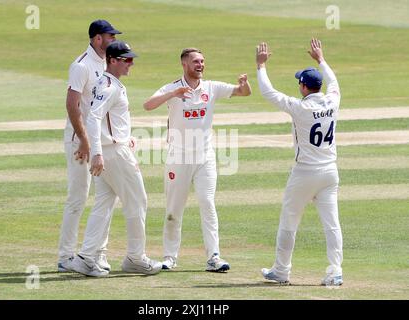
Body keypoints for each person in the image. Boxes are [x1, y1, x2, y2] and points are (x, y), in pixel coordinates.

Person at [143, 48, 251, 272]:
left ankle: (214, 257)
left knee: (207, 203)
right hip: (178, 157)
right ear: (184, 64)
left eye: (202, 61)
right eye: (195, 62)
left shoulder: (210, 87)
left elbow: (243, 93)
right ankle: (169, 257)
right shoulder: (172, 87)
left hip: (205, 157)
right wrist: (173, 94)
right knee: (174, 209)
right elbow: (148, 104)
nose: (200, 65)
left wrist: (244, 83)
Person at [70, 40, 162, 277]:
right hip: (114, 153)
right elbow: (93, 118)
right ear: (112, 60)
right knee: (137, 202)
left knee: (104, 202)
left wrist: (124, 137)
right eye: (126, 60)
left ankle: (86, 257)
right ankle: (135, 257)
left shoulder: (106, 82)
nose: (131, 64)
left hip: (112, 148)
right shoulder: (110, 86)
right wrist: (98, 153)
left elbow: (103, 118)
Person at [256, 39, 343, 286]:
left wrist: (261, 66)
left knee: (289, 220)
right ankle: (335, 271)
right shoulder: (332, 101)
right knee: (332, 223)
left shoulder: (299, 107)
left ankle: (281, 271)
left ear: (304, 87)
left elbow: (268, 93)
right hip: (329, 172)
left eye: (299, 83)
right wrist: (321, 60)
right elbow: (334, 82)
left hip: (305, 173)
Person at [58, 19, 121, 273]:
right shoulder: (81, 65)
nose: (113, 40)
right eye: (110, 36)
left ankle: (98, 253)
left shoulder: (108, 63)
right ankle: (65, 257)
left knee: (107, 197)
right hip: (79, 142)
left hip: (102, 143)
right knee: (78, 197)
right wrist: (84, 140)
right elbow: (72, 105)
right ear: (97, 38)